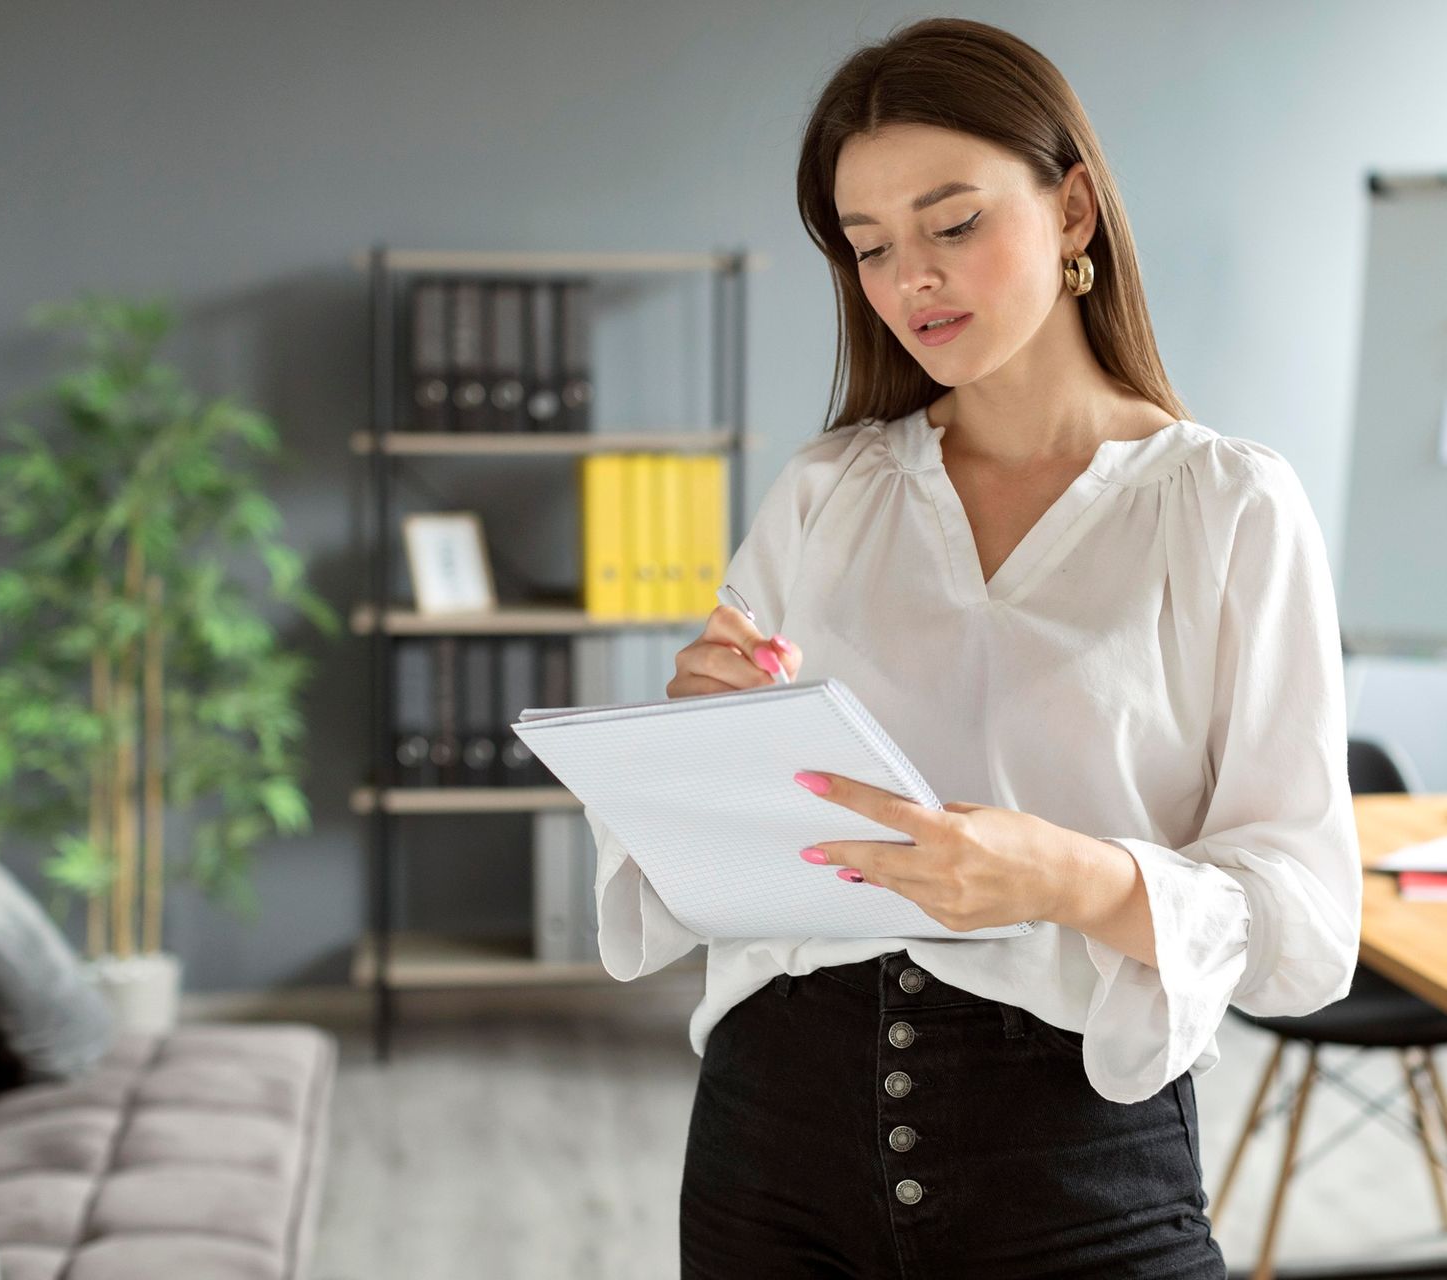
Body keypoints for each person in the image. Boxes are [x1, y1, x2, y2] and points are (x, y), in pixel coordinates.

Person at [582, 16, 1362, 1278]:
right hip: (772, 1137)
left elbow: (1308, 925)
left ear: (1072, 211)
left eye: (953, 225)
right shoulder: (829, 491)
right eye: (871, 247)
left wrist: (1071, 877)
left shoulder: (1226, 505)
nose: (912, 282)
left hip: (1073, 1153)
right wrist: (700, 742)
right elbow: (695, 873)